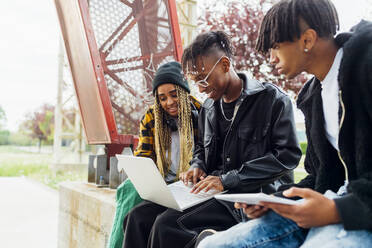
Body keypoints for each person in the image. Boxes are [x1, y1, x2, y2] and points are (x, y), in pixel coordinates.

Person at [197, 0, 372, 247]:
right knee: (210, 245)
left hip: (359, 212)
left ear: (307, 40)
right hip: (328, 204)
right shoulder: (313, 96)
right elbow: (320, 176)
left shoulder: (365, 67)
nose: (271, 58)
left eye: (276, 47)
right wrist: (274, 201)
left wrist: (337, 209)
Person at [122, 30, 301, 248]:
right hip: (212, 193)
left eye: (203, 79)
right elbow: (201, 150)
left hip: (247, 198)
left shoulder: (272, 100)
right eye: (195, 81)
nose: (200, 89)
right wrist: (197, 165)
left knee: (166, 225)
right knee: (137, 217)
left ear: (225, 65)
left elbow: (287, 156)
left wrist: (228, 180)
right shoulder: (209, 108)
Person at [108, 61, 201, 248]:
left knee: (144, 215)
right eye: (163, 98)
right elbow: (143, 155)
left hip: (187, 183)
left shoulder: (202, 114)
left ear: (184, 92)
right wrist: (147, 177)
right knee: (128, 189)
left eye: (174, 95)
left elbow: (204, 156)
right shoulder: (152, 117)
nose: (169, 102)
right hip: (161, 180)